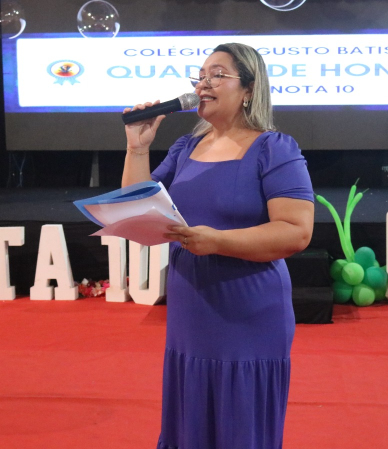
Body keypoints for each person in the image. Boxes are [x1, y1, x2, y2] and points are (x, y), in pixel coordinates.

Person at [121, 43, 315, 449]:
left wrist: (218, 241)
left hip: (249, 310)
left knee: (239, 423)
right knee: (192, 417)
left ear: (249, 89)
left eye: (217, 75)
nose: (202, 84)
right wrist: (137, 148)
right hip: (191, 309)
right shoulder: (185, 148)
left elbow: (296, 231)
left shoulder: (274, 148)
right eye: (200, 76)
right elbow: (137, 211)